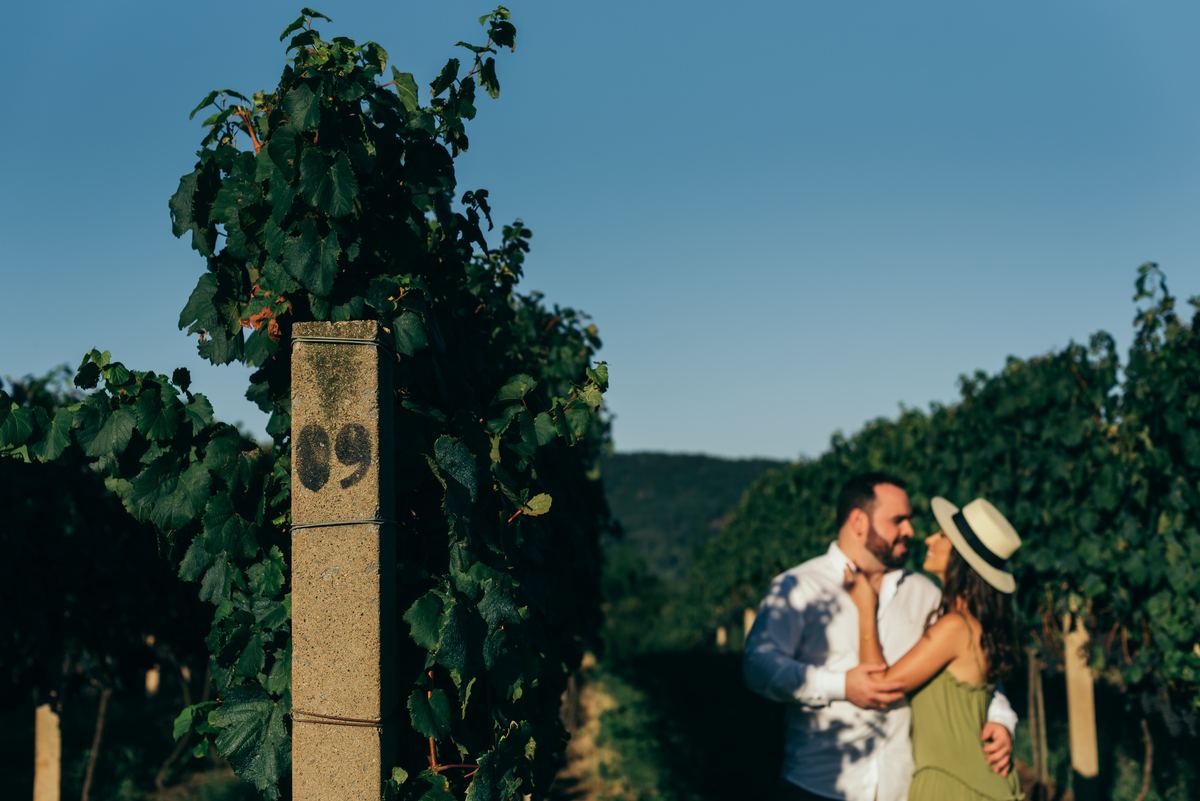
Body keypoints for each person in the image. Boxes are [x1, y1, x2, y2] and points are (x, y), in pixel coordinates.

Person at [743, 473, 1015, 801]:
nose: (911, 532)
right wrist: (839, 685)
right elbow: (758, 666)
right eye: (898, 520)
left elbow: (970, 670)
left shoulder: (925, 592)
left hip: (900, 788)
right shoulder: (799, 587)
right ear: (859, 521)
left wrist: (1001, 717)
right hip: (819, 784)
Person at [844, 495, 1024, 801]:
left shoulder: (954, 628)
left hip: (954, 784)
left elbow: (879, 686)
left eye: (942, 535)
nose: (929, 538)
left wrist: (865, 608)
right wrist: (1003, 721)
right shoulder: (976, 625)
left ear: (960, 558)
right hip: (976, 780)